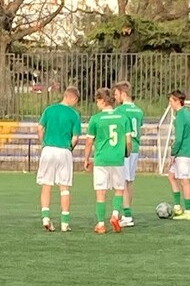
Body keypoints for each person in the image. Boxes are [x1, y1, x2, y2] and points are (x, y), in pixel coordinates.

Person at [84, 87, 132, 234]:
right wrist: (127, 153)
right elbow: (128, 141)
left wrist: (86, 159)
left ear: (102, 101)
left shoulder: (95, 119)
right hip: (117, 159)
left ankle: (101, 224)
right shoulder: (123, 118)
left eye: (97, 100)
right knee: (119, 189)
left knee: (101, 192)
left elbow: (89, 142)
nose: (96, 103)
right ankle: (115, 215)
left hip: (101, 160)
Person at [36, 86, 82, 232]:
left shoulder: (49, 110)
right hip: (64, 150)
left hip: (48, 149)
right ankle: (65, 223)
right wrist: (70, 148)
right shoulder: (74, 114)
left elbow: (40, 128)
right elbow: (75, 138)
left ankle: (45, 217)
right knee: (65, 187)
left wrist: (43, 143)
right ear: (73, 98)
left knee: (46, 184)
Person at [113, 81, 145, 227]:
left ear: (123, 94)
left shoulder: (119, 111)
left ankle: (127, 216)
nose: (115, 97)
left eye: (116, 94)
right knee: (129, 181)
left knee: (123, 182)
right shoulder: (139, 111)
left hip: (125, 148)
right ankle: (127, 212)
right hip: (135, 148)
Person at [167, 90, 190, 220]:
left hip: (183, 153)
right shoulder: (186, 113)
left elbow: (178, 139)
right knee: (171, 176)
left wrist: (173, 153)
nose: (170, 104)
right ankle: (177, 207)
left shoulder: (180, 116)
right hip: (183, 151)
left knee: (184, 181)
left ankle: (188, 211)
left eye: (171, 101)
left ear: (178, 101)